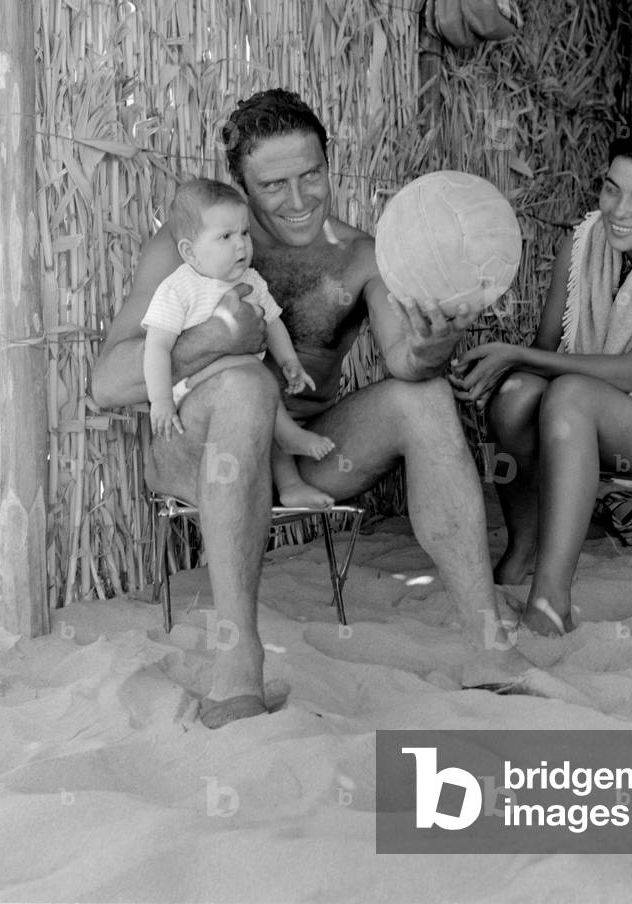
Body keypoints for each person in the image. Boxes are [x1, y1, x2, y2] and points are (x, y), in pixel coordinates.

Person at [92, 88, 542, 727]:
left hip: (306, 455)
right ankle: (238, 661)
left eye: (312, 176)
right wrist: (211, 341)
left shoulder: (360, 256)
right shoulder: (187, 248)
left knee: (426, 396)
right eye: (273, 185)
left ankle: (488, 649)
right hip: (196, 450)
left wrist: (433, 346)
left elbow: (405, 362)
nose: (298, 200)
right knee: (247, 386)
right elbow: (106, 385)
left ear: (331, 164)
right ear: (241, 186)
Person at [452, 119, 632, 637]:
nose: (618, 211)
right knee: (517, 393)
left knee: (568, 396)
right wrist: (502, 364)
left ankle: (550, 602)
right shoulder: (586, 240)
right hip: (592, 404)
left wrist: (512, 352)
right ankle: (523, 547)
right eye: (611, 189)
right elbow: (546, 351)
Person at [142, 177, 336, 510]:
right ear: (190, 252)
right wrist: (160, 400)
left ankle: (290, 486)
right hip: (195, 389)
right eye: (226, 237)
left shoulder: (251, 280)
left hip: (246, 381)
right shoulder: (179, 289)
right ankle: (288, 434)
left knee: (261, 393)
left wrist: (290, 362)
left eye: (244, 233)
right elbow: (157, 347)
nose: (241, 245)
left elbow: (272, 322)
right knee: (256, 385)